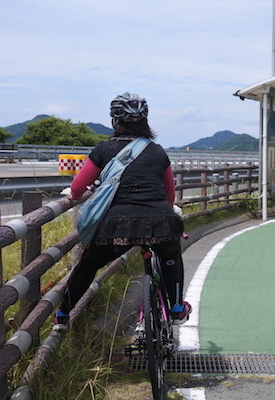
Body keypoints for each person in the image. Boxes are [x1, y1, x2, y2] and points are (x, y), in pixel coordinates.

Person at [53, 92, 191, 331]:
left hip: (117, 227)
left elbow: (77, 188)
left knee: (89, 263)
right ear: (145, 120)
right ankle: (177, 308)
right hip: (160, 222)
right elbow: (170, 196)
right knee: (170, 256)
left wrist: (73, 196)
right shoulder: (158, 151)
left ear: (115, 120)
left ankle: (63, 315)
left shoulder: (104, 150)